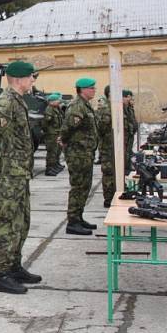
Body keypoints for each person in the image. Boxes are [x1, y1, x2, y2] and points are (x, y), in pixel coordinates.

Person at [0, 60, 41, 295]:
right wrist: (2, 154)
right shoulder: (6, 102)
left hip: (19, 173)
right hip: (9, 174)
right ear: (19, 79)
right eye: (31, 77)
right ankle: (2, 275)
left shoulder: (18, 101)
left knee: (21, 221)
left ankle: (14, 266)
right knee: (8, 223)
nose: (33, 81)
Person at [60, 77, 99, 235]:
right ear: (82, 89)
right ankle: (72, 222)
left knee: (85, 186)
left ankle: (79, 217)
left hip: (86, 153)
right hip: (77, 154)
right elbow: (67, 127)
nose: (94, 90)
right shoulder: (77, 107)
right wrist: (63, 140)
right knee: (78, 187)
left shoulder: (85, 105)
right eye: (91, 88)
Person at [97, 86, 115, 208]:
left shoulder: (115, 107)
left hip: (114, 146)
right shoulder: (105, 109)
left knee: (114, 172)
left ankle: (114, 194)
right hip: (107, 146)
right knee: (108, 173)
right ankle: (108, 198)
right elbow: (101, 128)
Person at [41, 93, 65, 176]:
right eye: (57, 100)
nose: (59, 101)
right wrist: (48, 132)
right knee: (52, 152)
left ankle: (54, 165)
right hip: (51, 134)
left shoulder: (56, 109)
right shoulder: (49, 109)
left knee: (56, 151)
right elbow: (45, 123)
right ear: (51, 102)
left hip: (56, 133)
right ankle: (49, 169)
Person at [123, 89, 138, 171]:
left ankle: (128, 165)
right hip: (126, 134)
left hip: (130, 133)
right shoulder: (123, 108)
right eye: (130, 98)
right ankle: (126, 167)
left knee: (128, 151)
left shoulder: (129, 108)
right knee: (126, 152)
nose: (132, 100)